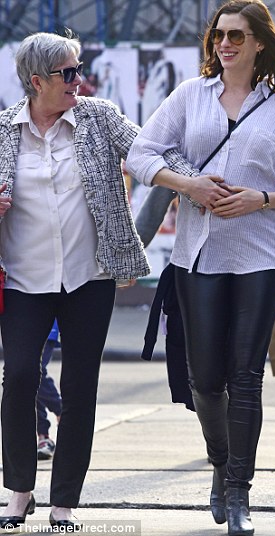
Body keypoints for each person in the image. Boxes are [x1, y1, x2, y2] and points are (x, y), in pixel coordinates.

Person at [0, 30, 198, 531]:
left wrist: (191, 183)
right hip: (24, 279)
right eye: (68, 73)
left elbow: (148, 155)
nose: (78, 80)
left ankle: (64, 503)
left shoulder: (97, 116)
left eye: (78, 68)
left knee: (81, 386)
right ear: (36, 80)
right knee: (19, 376)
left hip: (90, 278)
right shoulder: (3, 130)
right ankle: (20, 491)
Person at [126, 1, 275, 534]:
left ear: (258, 44)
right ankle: (222, 463)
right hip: (199, 256)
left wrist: (263, 199)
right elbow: (142, 154)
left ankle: (239, 494)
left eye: (235, 36)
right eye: (218, 35)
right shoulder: (189, 97)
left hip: (262, 258)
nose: (224, 43)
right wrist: (190, 186)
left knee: (246, 376)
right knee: (206, 379)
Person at [37, 320, 62, 460]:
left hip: (47, 317)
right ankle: (43, 435)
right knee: (25, 376)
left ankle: (63, 411)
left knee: (34, 371)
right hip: (18, 317)